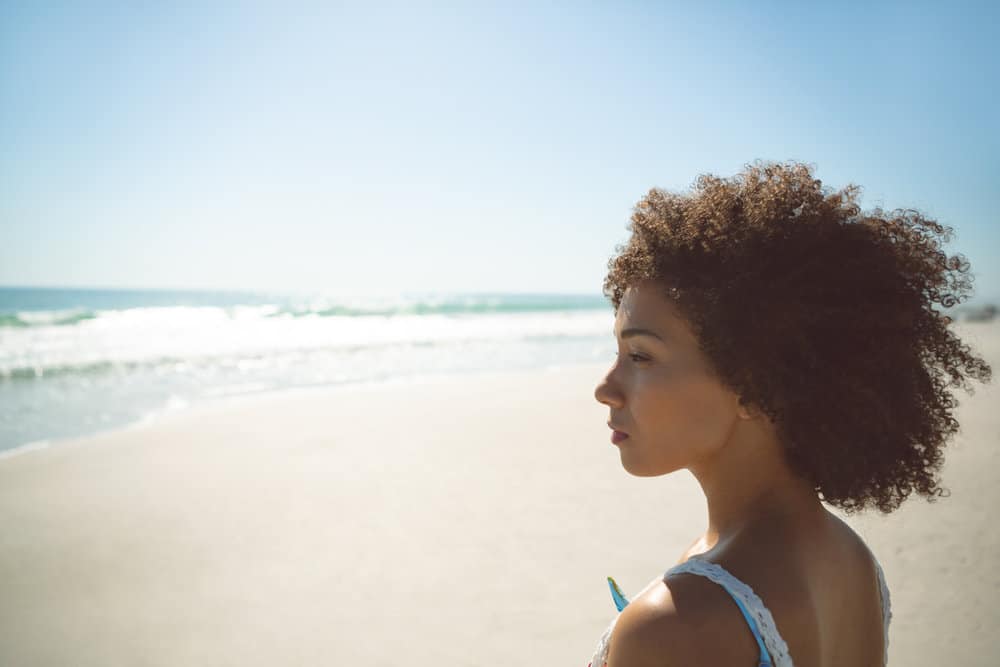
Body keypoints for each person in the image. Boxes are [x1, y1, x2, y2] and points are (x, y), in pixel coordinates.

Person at [589, 161, 992, 667]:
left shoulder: (679, 623)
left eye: (641, 356)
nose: (606, 389)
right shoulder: (848, 558)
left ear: (755, 386)